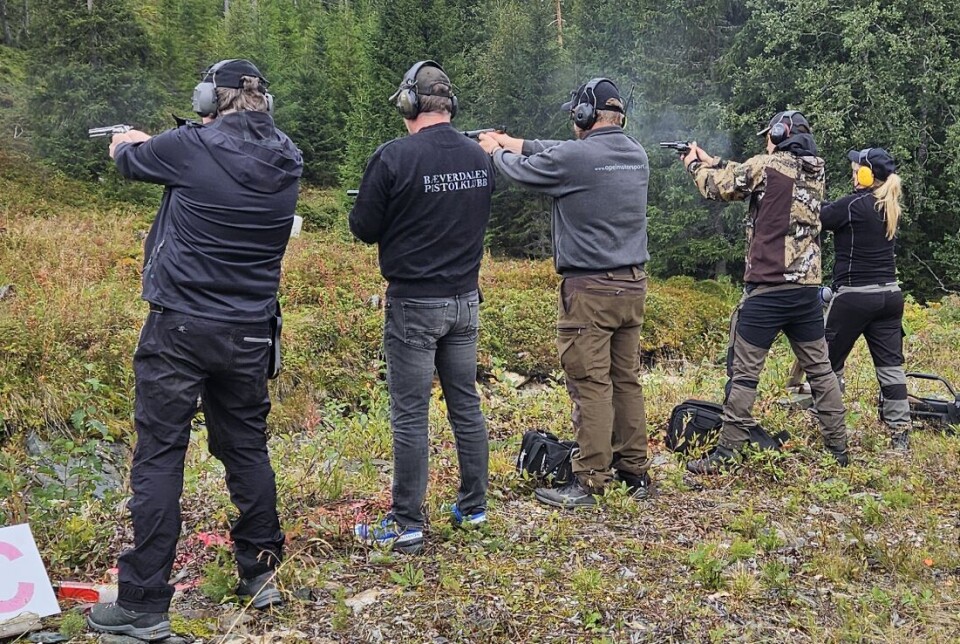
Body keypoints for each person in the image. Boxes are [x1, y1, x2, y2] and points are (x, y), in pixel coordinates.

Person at [87, 59, 303, 641]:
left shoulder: (188, 145)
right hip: (252, 330)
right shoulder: (288, 157)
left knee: (159, 454)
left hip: (180, 326)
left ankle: (143, 603)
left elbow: (129, 159)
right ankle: (260, 571)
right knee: (246, 448)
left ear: (210, 96)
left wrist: (129, 142)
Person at [478, 77, 652, 508]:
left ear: (584, 116)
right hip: (632, 285)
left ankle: (589, 479)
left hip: (590, 290)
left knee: (590, 384)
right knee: (624, 380)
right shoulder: (636, 154)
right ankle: (635, 472)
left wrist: (495, 152)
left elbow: (526, 170)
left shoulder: (576, 158)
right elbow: (558, 152)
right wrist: (512, 140)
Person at [349, 60, 494, 554]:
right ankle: (474, 507)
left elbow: (363, 226)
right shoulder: (479, 157)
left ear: (410, 104)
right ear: (449, 105)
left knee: (410, 415)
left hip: (414, 304)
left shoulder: (393, 157)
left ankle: (406, 521)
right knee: (466, 405)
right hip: (465, 301)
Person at [679, 110, 849, 474]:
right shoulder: (815, 169)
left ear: (779, 133)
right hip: (805, 289)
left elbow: (720, 187)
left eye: (768, 136)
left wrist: (695, 166)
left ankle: (727, 452)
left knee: (744, 375)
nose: (764, 141)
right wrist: (717, 160)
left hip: (768, 289)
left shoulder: (766, 165)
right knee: (821, 372)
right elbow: (762, 175)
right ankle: (839, 447)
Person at [821, 147, 911, 449]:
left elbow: (820, 216)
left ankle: (829, 422)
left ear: (866, 174)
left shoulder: (853, 205)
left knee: (825, 363)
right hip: (890, 296)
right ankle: (900, 434)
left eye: (857, 166)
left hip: (854, 297)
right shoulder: (890, 205)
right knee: (891, 368)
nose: (852, 169)